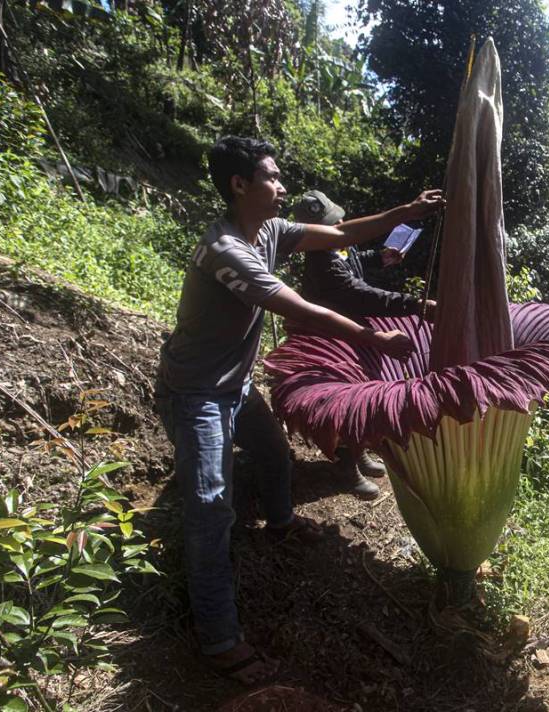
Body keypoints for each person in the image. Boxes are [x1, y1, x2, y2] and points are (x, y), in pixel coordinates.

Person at [154, 135, 443, 685]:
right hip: (196, 393)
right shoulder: (226, 251)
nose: (283, 186)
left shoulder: (269, 230)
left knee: (274, 455)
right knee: (211, 507)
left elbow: (339, 233)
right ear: (241, 185)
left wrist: (408, 211)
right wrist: (372, 338)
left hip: (233, 386)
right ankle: (218, 638)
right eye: (273, 177)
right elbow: (295, 304)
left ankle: (282, 524)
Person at [293, 189, 436, 499]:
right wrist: (414, 304)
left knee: (362, 392)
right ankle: (345, 467)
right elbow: (357, 293)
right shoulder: (321, 259)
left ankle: (357, 452)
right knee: (345, 400)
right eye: (333, 223)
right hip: (333, 336)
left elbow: (354, 260)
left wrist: (381, 258)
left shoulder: (338, 246)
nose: (341, 223)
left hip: (352, 329)